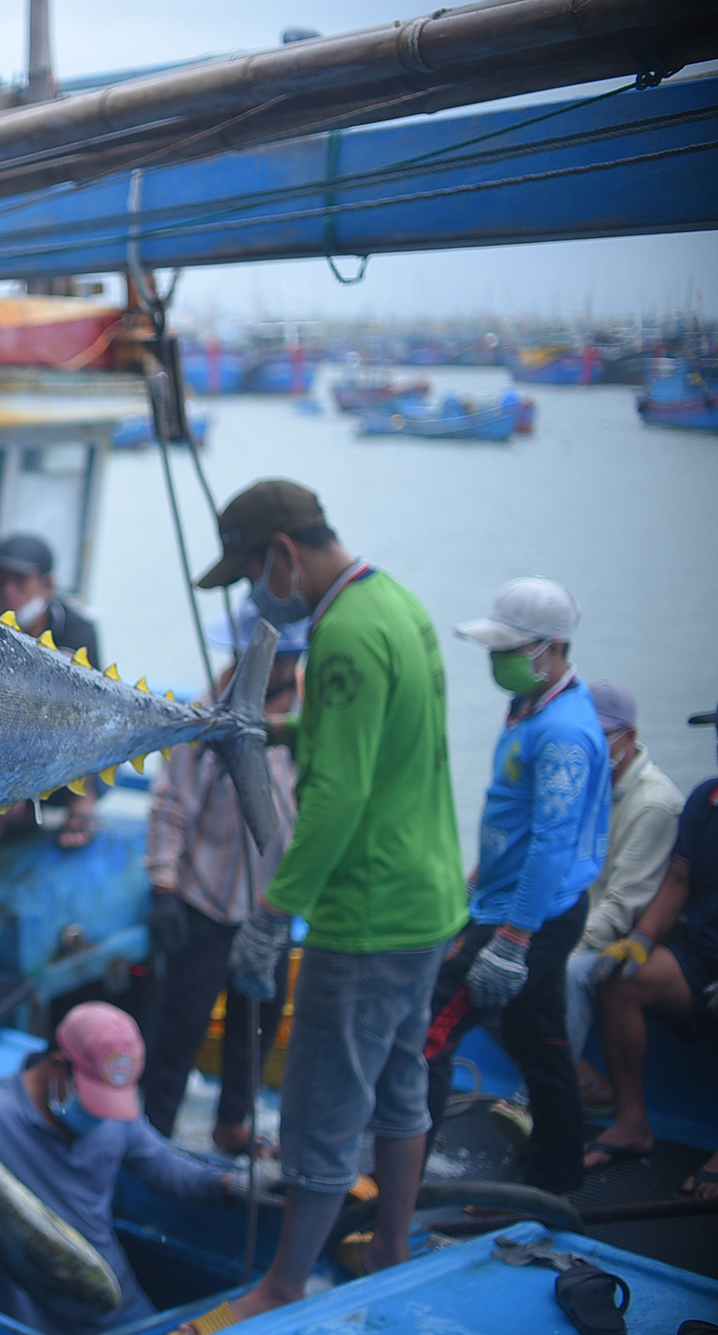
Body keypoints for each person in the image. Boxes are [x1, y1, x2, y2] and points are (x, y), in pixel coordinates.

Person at [178, 479, 464, 1334]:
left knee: (320, 1101)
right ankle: (392, 1248)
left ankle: (283, 1284)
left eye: (255, 572)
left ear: (283, 554)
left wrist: (273, 914)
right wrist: (272, 729)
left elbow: (338, 794)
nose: (259, 591)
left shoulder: (338, 635)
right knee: (401, 1083)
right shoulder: (395, 602)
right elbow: (377, 736)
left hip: (365, 912)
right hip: (430, 896)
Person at [427, 578, 609, 1198]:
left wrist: (512, 939)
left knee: (428, 1033)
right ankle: (557, 1181)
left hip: (527, 914)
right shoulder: (528, 705)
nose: (497, 660)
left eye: (511, 648)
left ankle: (400, 1181)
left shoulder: (562, 733)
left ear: (552, 648)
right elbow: (517, 814)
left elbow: (554, 843)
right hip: (508, 900)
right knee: (543, 1042)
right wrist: (481, 877)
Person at [0, 1002, 273, 1335]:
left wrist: (232, 1184)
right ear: (58, 1065)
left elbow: (163, 1167)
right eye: (93, 1100)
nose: (100, 1116)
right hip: (32, 1313)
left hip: (115, 1303)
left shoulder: (116, 1120)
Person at [141, 606, 304, 1155]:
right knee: (180, 1025)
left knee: (255, 1023)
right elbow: (171, 803)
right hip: (205, 899)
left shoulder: (312, 719)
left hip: (271, 906)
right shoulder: (209, 715)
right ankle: (153, 1133)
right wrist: (162, 886)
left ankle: (233, 1122)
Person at [581, 691, 718, 1199]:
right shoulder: (706, 802)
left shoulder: (660, 801)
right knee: (622, 979)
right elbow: (678, 883)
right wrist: (639, 939)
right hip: (701, 956)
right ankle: (632, 1124)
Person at [565, 682, 682, 1107]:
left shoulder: (654, 804)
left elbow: (621, 907)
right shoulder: (582, 784)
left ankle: (534, 1096)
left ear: (628, 737)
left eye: (600, 736)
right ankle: (581, 1081)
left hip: (619, 941)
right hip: (578, 921)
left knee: (561, 971)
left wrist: (556, 946)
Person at [0, 533, 102, 851]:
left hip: (59, 738)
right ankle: (8, 811)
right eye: (0, 579)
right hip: (5, 735)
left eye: (20, 579)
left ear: (47, 585)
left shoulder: (76, 629)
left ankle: (81, 804)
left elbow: (88, 707)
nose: (8, 590)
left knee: (82, 720)